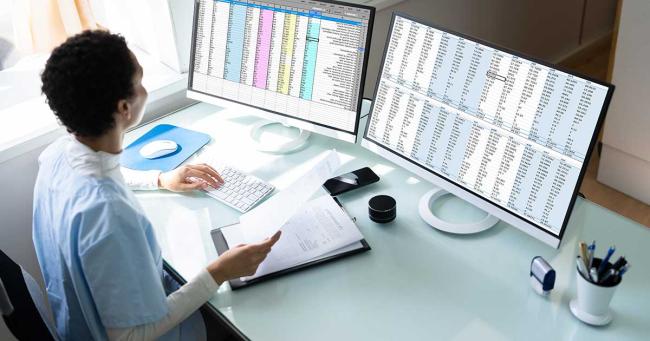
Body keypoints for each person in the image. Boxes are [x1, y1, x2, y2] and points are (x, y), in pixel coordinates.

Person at [32, 30, 281, 340]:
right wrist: (219, 273)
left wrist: (160, 178)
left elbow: (97, 177)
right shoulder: (109, 216)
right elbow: (130, 337)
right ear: (124, 108)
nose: (145, 89)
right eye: (140, 82)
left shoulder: (56, 156)